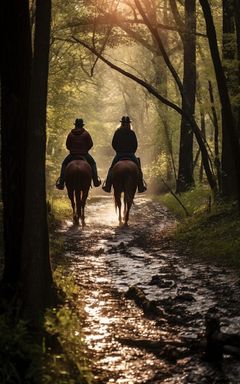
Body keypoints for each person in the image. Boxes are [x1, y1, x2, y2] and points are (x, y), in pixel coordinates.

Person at [102, 116, 147, 193]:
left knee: (112, 168)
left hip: (119, 154)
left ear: (121, 123)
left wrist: (118, 151)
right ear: (129, 123)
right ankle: (141, 186)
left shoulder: (117, 132)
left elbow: (113, 144)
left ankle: (108, 186)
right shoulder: (132, 133)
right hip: (130, 154)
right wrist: (132, 151)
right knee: (138, 169)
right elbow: (135, 145)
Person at [56, 118, 101, 190]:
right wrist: (85, 150)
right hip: (84, 154)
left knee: (64, 164)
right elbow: (90, 144)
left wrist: (72, 150)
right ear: (82, 125)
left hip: (72, 155)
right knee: (93, 163)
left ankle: (61, 183)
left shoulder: (70, 134)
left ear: (75, 125)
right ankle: (95, 181)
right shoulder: (86, 134)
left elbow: (67, 145)